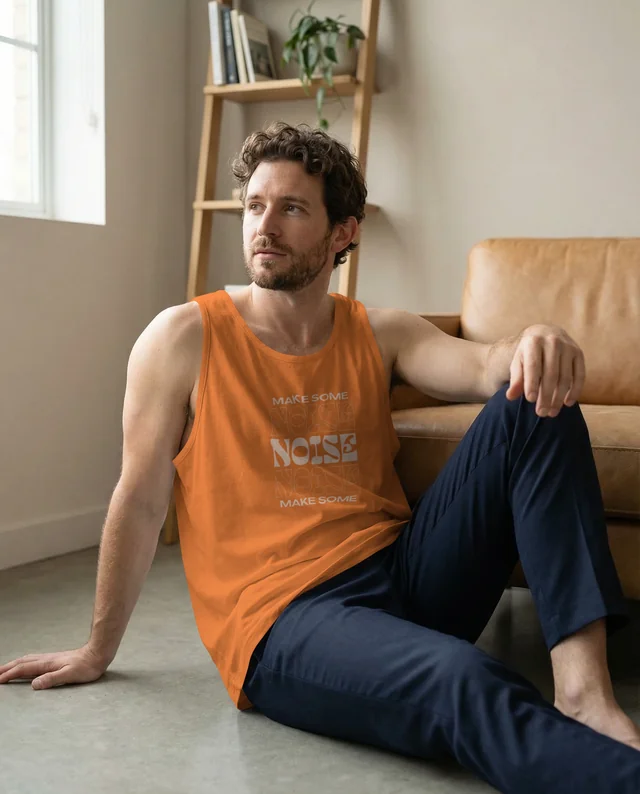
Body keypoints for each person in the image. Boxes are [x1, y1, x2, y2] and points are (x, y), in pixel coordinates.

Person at [1, 121, 638, 793]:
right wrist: (98, 648)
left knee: (535, 399)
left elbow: (486, 365)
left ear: (343, 233)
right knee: (464, 679)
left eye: (292, 208)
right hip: (284, 621)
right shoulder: (182, 338)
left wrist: (537, 338)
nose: (263, 226)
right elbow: (139, 499)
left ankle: (583, 692)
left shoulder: (378, 331)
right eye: (255, 206)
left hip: (404, 576)